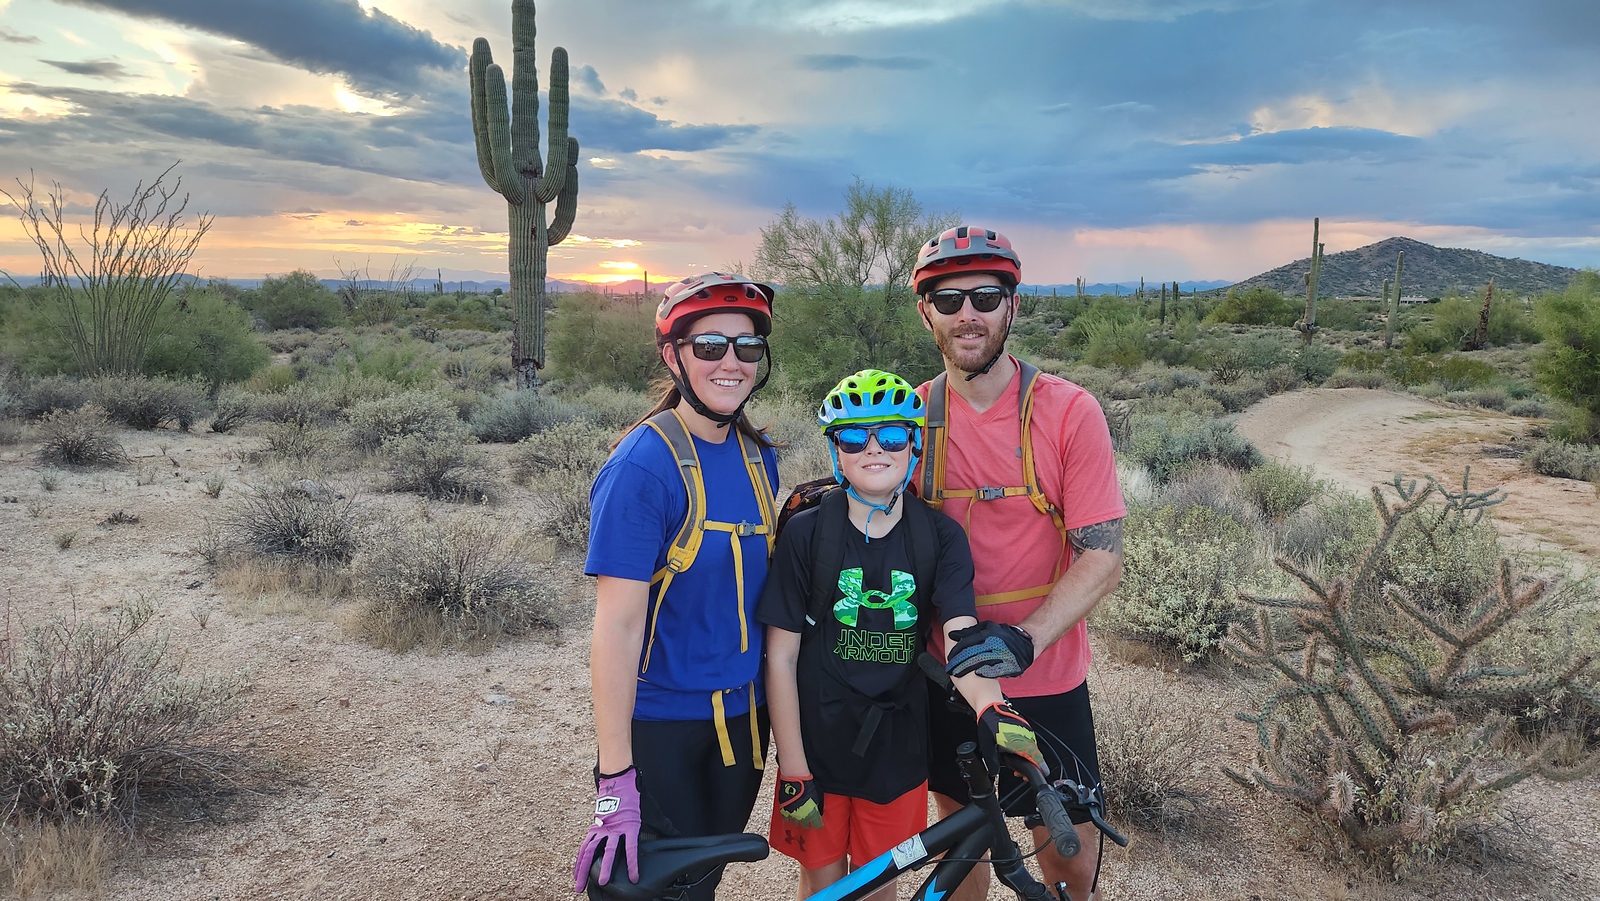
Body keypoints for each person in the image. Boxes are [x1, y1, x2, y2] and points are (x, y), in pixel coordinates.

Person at [759, 369, 1042, 900]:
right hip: (817, 743)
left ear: (913, 446)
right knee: (822, 883)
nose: (874, 449)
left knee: (879, 882)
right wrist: (793, 766)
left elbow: (961, 634)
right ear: (835, 451)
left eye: (890, 435)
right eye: (853, 437)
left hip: (898, 745)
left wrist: (992, 708)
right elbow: (781, 658)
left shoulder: (939, 536)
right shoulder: (806, 532)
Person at [912, 227, 1127, 901]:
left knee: (1071, 853)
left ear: (1013, 305)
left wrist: (1024, 639)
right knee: (964, 840)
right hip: (948, 674)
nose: (967, 313)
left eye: (985, 295)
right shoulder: (911, 417)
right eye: (948, 299)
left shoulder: (1067, 412)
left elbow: (1104, 554)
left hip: (1048, 676)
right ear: (927, 313)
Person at [574, 273, 782, 898]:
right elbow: (616, 625)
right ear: (673, 355)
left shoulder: (757, 454)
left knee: (702, 884)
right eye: (709, 346)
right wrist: (616, 779)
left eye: (747, 348)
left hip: (745, 722)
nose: (731, 363)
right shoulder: (643, 465)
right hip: (664, 726)